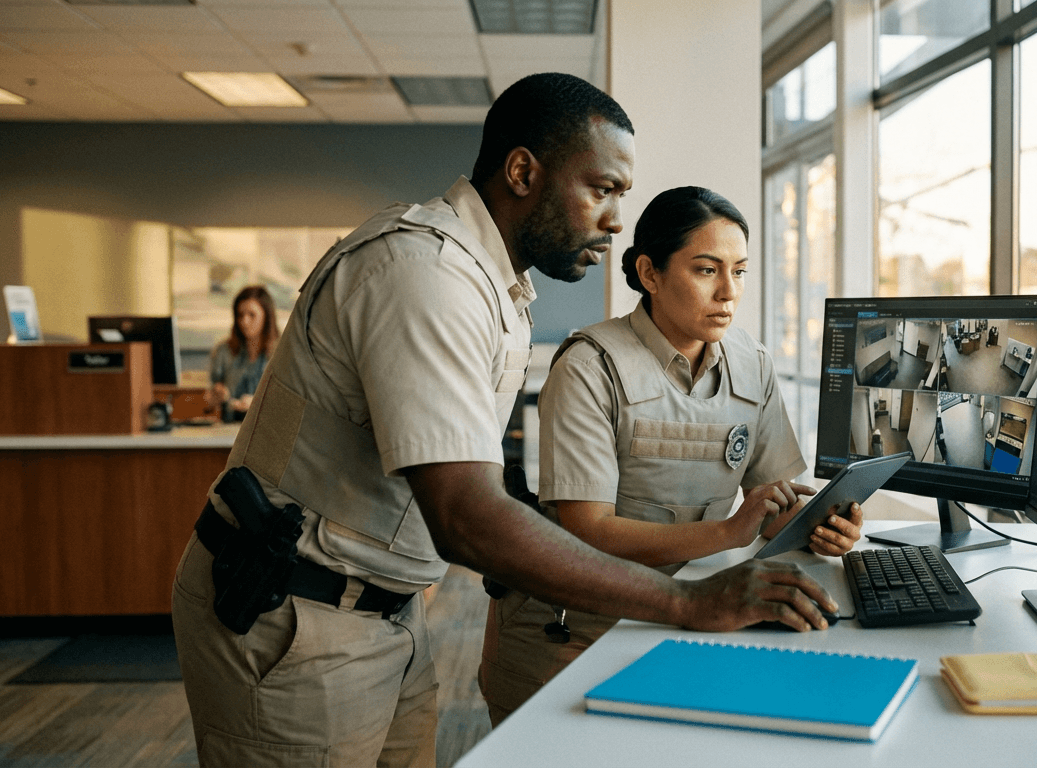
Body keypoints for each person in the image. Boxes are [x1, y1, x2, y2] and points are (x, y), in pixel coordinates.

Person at [170, 73, 836, 767]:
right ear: (523, 172)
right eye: (602, 190)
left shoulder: (500, 291)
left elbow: (459, 478)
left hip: (389, 611)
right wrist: (687, 603)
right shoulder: (425, 274)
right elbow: (464, 517)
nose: (614, 220)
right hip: (295, 614)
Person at [479, 187, 865, 725]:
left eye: (740, 271)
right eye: (707, 270)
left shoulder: (751, 363)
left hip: (691, 616)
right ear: (651, 273)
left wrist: (814, 522)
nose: (729, 292)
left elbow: (766, 504)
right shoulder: (590, 366)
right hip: (573, 631)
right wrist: (731, 532)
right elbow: (589, 530)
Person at [206, 285, 278, 422]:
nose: (244, 322)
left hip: (267, 432)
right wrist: (216, 395)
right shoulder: (224, 351)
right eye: (240, 315)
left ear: (266, 316)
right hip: (228, 431)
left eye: (252, 315)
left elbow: (288, 402)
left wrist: (258, 404)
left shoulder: (281, 353)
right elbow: (207, 402)